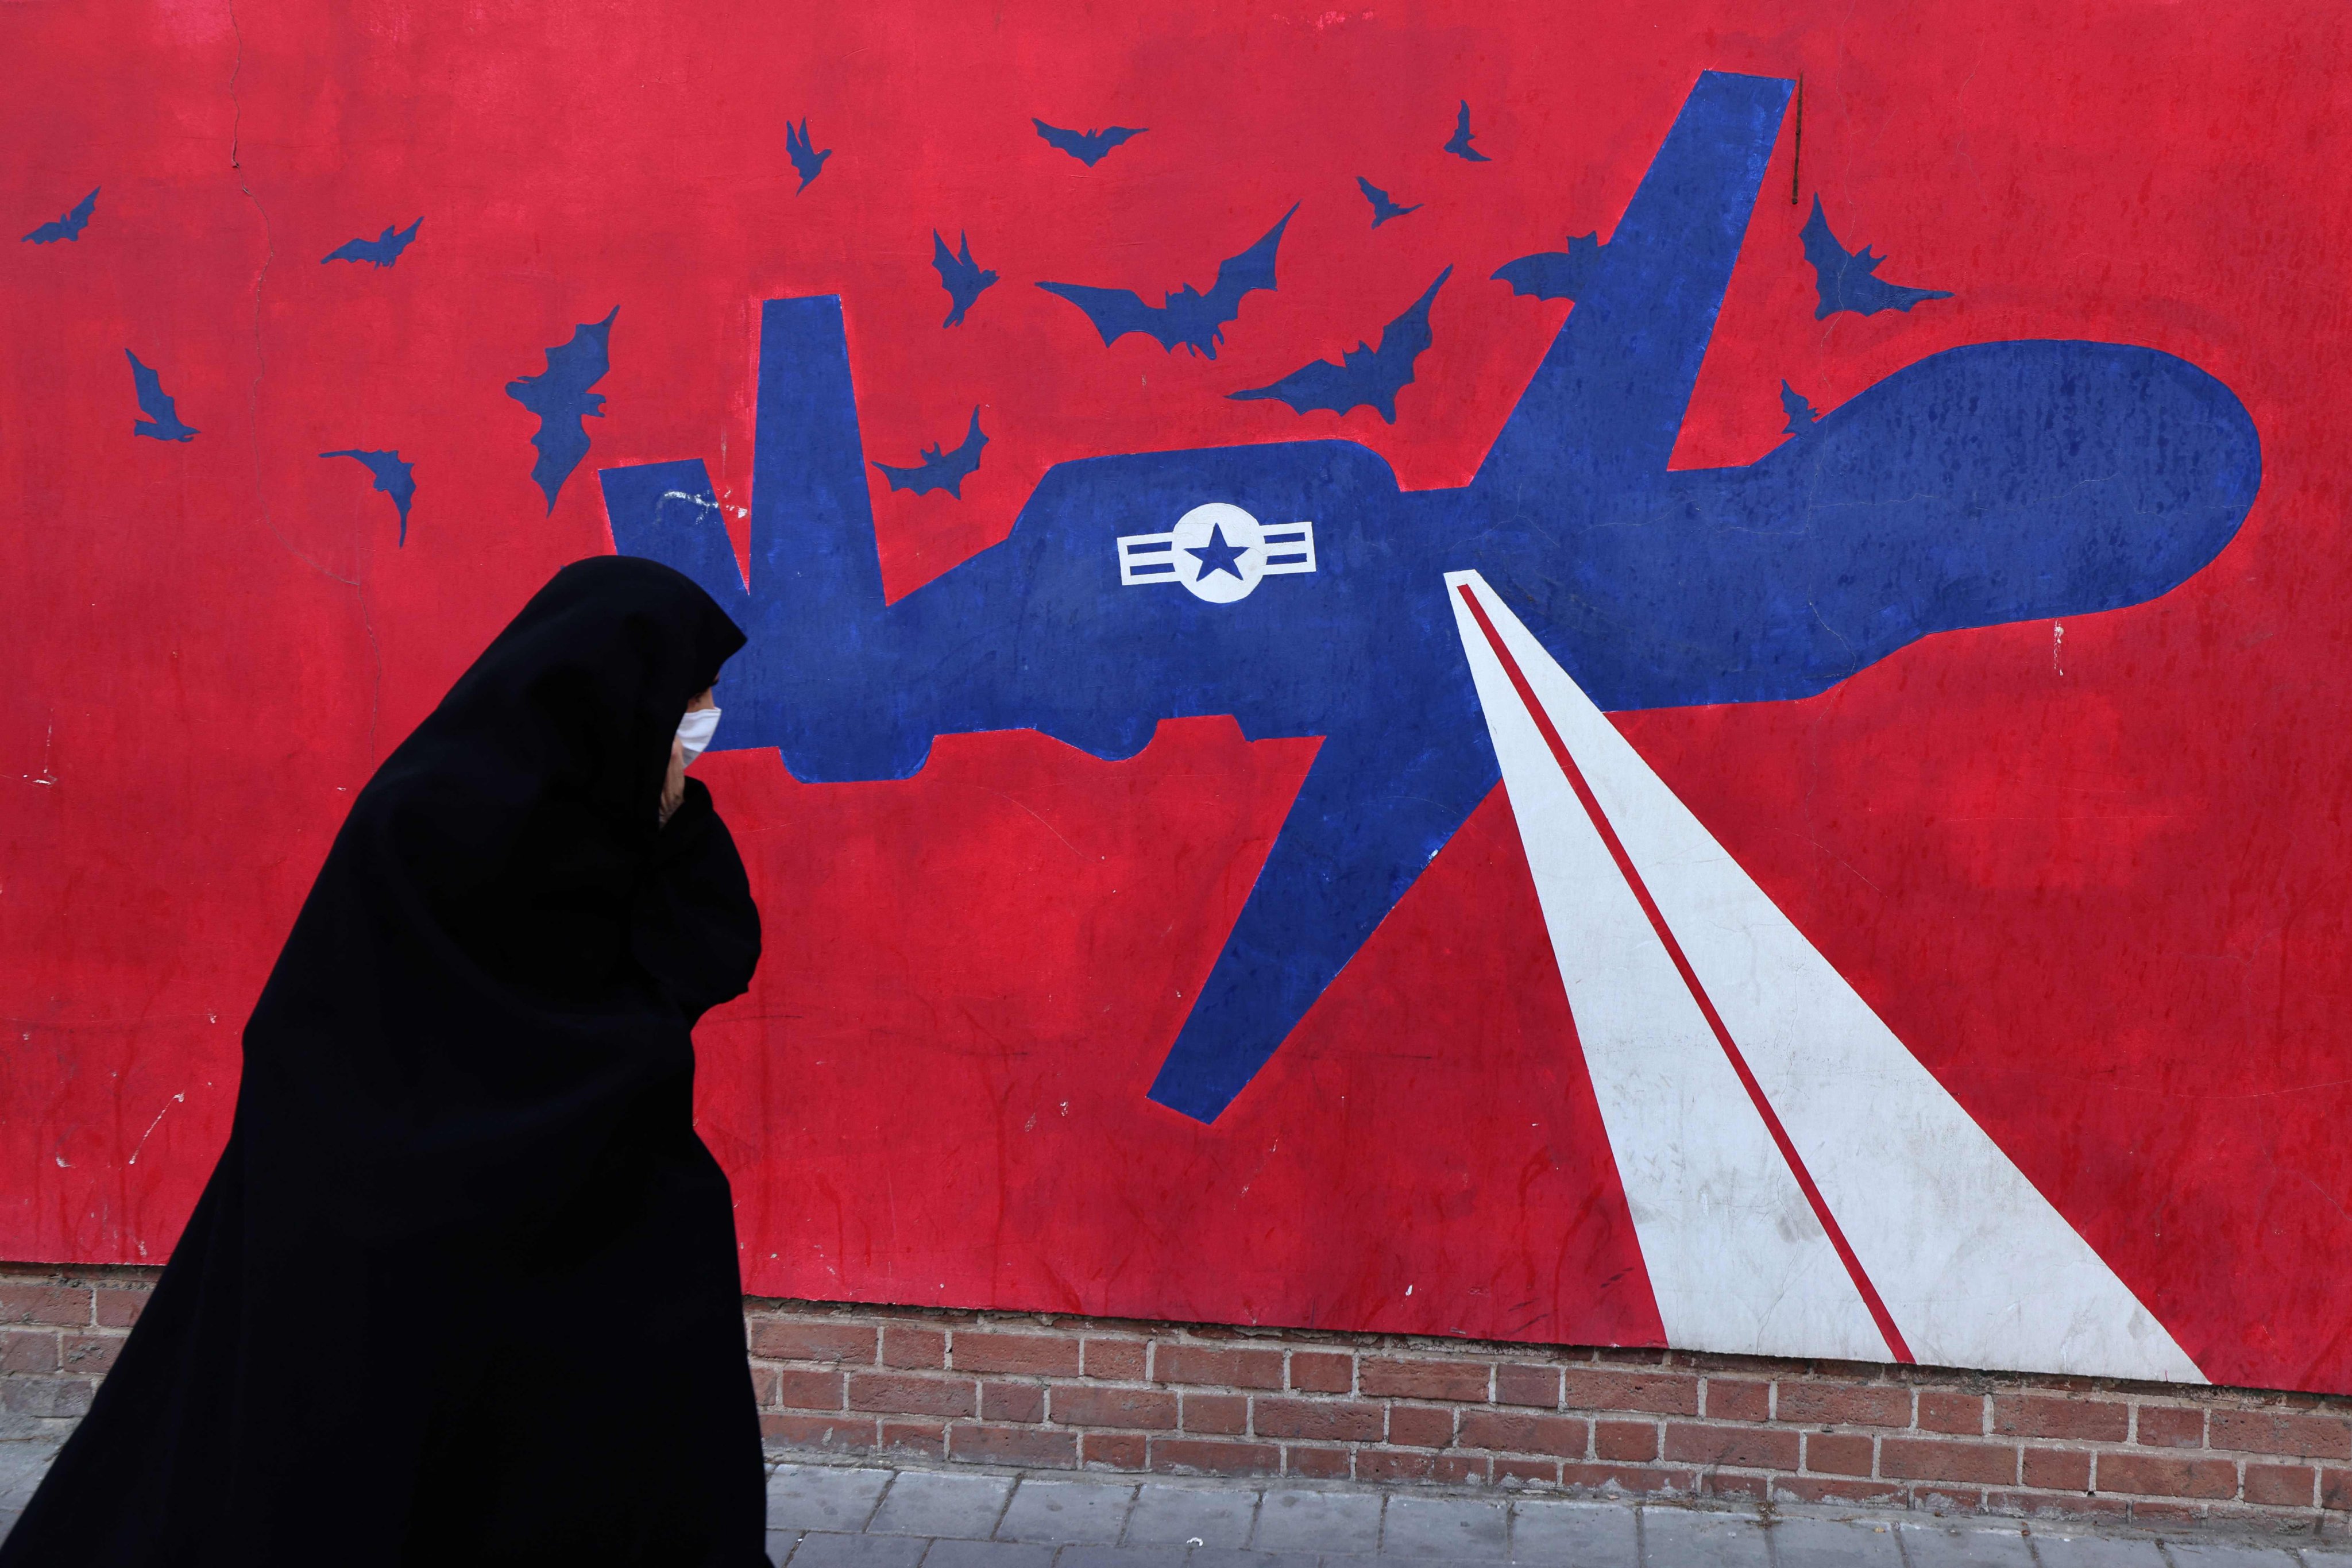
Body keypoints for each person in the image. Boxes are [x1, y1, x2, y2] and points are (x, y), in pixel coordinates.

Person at [1, 557, 770, 1566]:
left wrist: (672, 830)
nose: (706, 718)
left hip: (575, 1165)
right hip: (392, 1183)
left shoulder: (627, 805)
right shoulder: (435, 809)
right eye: (694, 697)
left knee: (659, 1321)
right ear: (616, 685)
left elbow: (712, 956)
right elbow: (346, 1016)